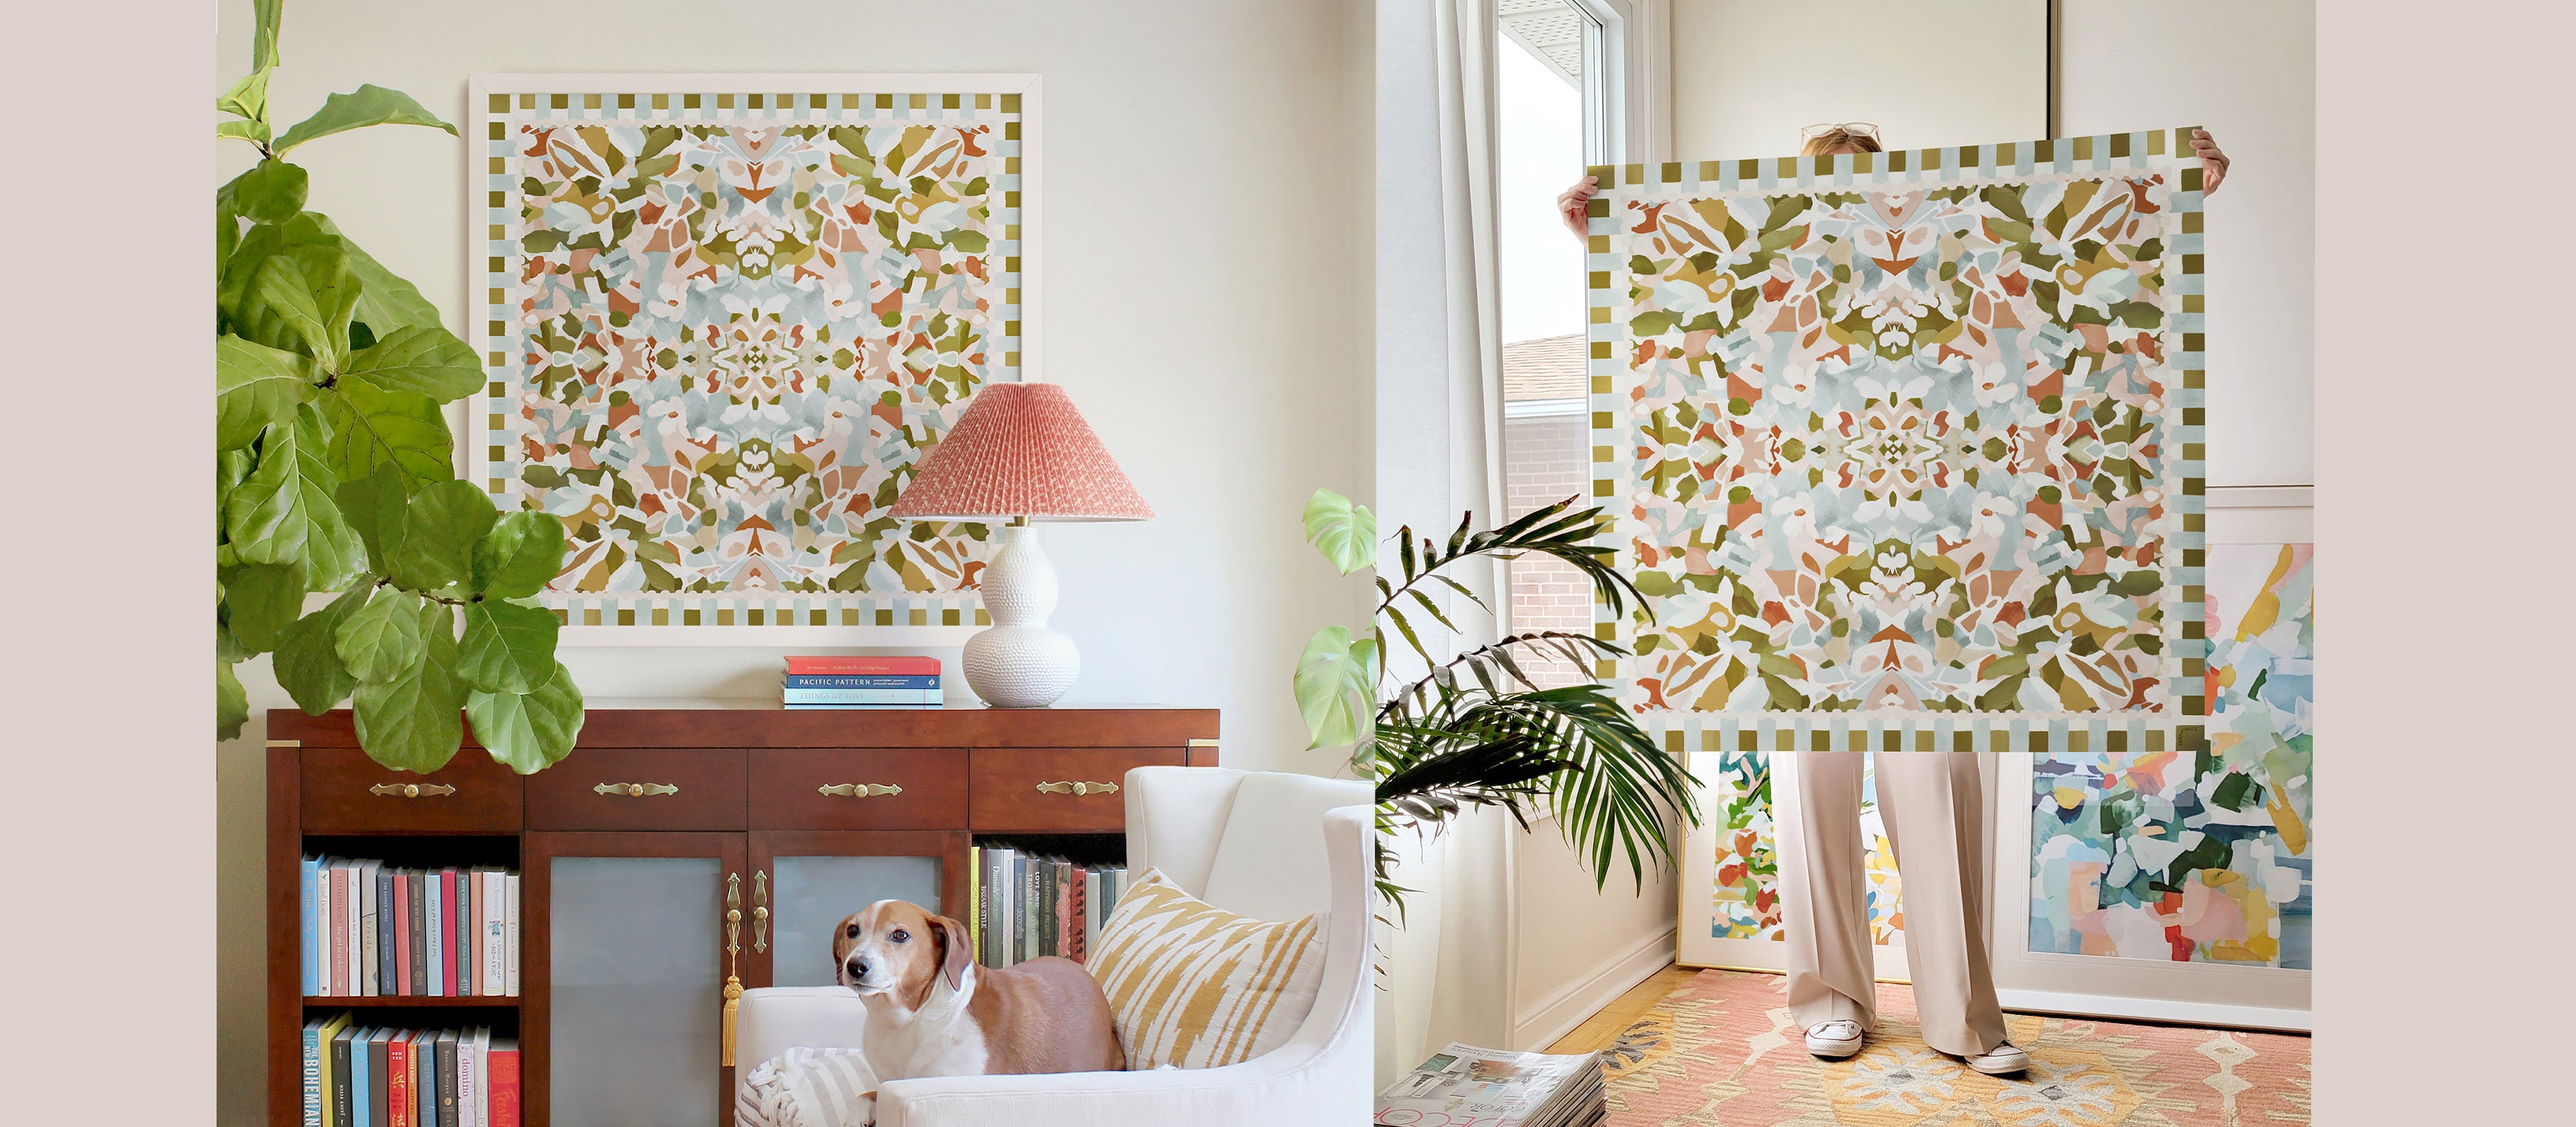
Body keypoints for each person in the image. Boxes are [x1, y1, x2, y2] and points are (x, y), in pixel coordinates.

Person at [1554, 121, 2232, 1077]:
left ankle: (1964, 1017)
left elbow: (2075, 298)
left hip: (1942, 606)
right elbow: (1679, 325)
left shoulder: (1952, 292)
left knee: (1939, 802)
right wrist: (1609, 238)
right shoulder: (1768, 304)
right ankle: (1829, 1001)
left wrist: (2175, 195)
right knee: (1813, 804)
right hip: (1797, 601)